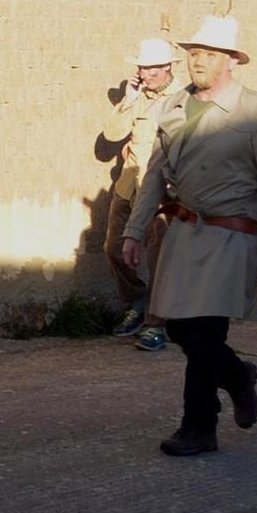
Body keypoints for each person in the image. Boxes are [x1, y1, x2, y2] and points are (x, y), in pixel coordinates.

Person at [123, 16, 257, 456]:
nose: (198, 61)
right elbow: (154, 176)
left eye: (209, 55)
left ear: (230, 61)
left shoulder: (255, 109)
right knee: (178, 329)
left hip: (230, 235)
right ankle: (238, 376)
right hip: (184, 232)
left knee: (203, 335)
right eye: (194, 53)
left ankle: (198, 427)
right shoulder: (174, 106)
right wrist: (134, 230)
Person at [102, 38, 179, 351]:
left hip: (158, 191)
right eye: (141, 67)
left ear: (167, 68)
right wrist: (128, 99)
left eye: (150, 68)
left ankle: (156, 324)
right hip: (127, 186)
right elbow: (112, 135)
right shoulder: (138, 97)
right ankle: (137, 299)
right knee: (113, 249)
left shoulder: (181, 100)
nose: (144, 73)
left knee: (158, 258)